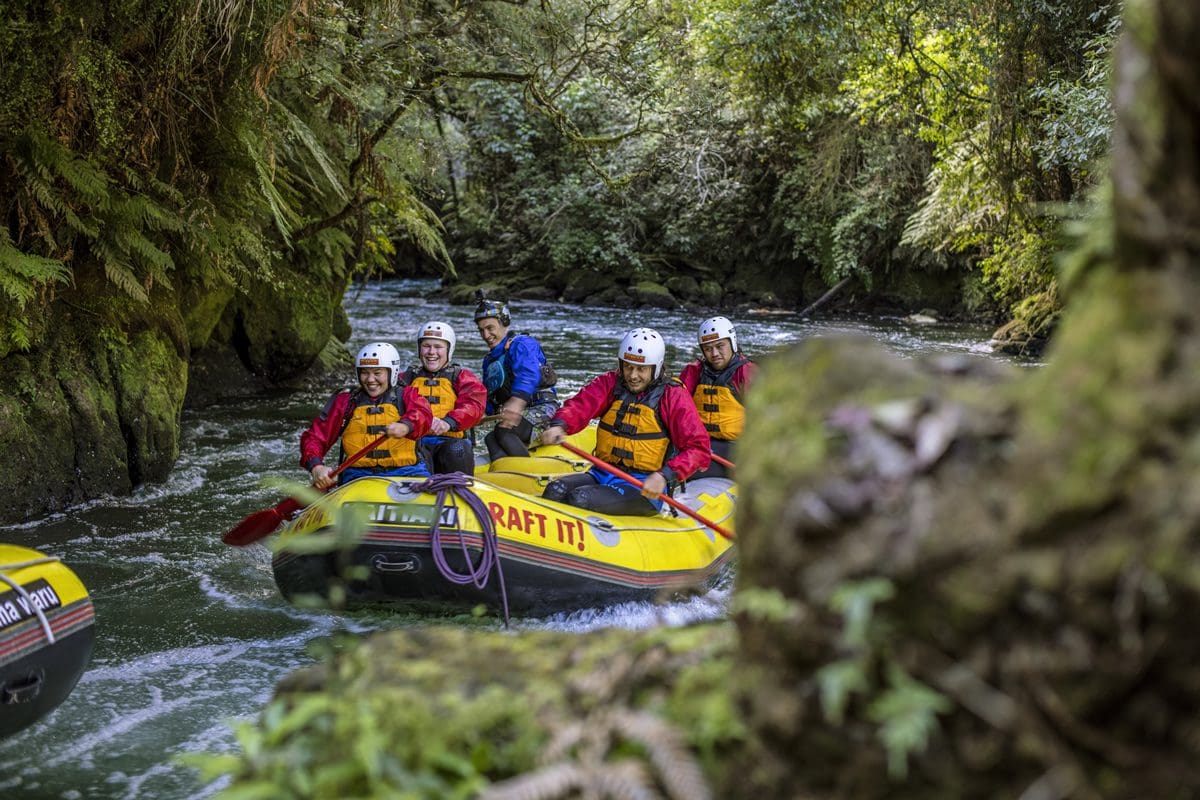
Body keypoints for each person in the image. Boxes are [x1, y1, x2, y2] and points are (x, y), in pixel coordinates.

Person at [539, 328, 711, 516]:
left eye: (641, 369)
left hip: (643, 486)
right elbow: (581, 404)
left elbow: (698, 448)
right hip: (602, 474)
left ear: (656, 367)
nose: (632, 375)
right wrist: (560, 424)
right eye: (628, 366)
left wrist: (665, 476)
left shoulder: (673, 396)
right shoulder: (611, 382)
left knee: (579, 499)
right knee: (555, 490)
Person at [301, 341, 433, 488]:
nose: (370, 380)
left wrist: (407, 426)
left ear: (392, 372)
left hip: (408, 472)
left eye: (377, 373)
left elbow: (424, 414)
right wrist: (316, 466)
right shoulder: (346, 402)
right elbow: (315, 437)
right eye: (365, 372)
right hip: (358, 475)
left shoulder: (408, 395)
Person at [474, 291, 559, 460]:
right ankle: (503, 474)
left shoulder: (522, 344)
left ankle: (529, 473)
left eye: (490, 328)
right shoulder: (489, 361)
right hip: (521, 415)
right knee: (491, 438)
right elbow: (491, 396)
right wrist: (480, 413)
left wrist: (517, 402)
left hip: (543, 409)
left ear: (504, 323)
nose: (486, 335)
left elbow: (529, 373)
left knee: (503, 430)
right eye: (481, 330)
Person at [401, 321, 487, 475]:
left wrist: (449, 422)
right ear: (419, 349)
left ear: (449, 349)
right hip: (415, 445)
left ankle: (459, 488)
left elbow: (474, 405)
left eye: (438, 347)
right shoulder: (405, 378)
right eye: (426, 346)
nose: (431, 352)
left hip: (449, 444)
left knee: (458, 449)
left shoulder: (462, 377)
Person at [677, 315, 757, 478]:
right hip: (699, 447)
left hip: (736, 448)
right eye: (708, 348)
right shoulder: (693, 372)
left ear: (732, 343)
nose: (714, 353)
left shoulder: (747, 373)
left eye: (720, 346)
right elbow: (675, 410)